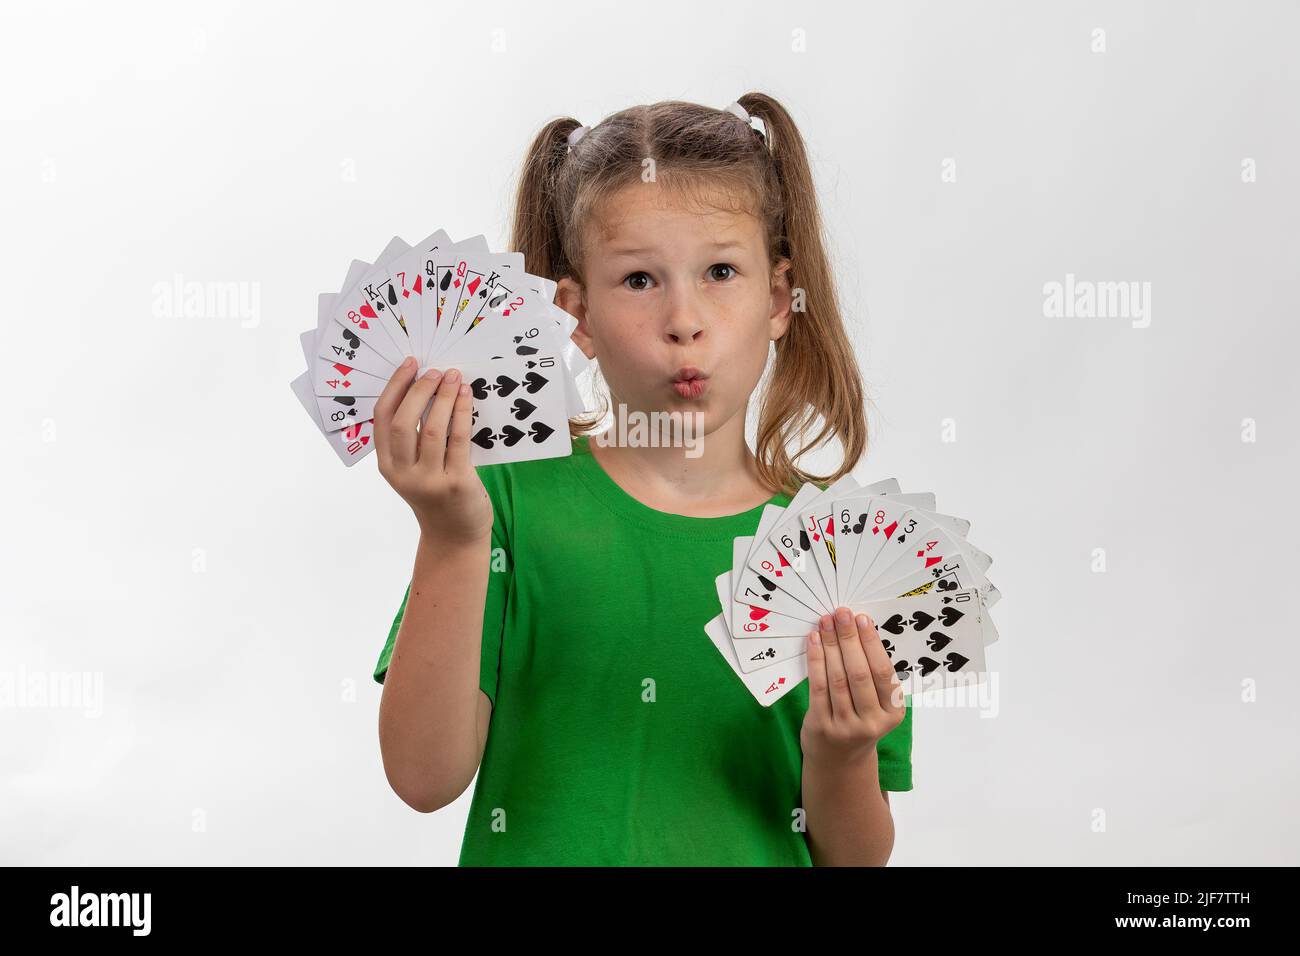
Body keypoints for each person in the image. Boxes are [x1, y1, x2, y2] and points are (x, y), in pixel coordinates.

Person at [371, 93, 912, 866]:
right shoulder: (502, 510)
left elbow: (855, 858)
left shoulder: (834, 558)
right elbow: (423, 778)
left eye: (721, 270)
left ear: (778, 300)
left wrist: (843, 752)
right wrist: (453, 541)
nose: (683, 319)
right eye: (638, 280)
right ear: (576, 315)